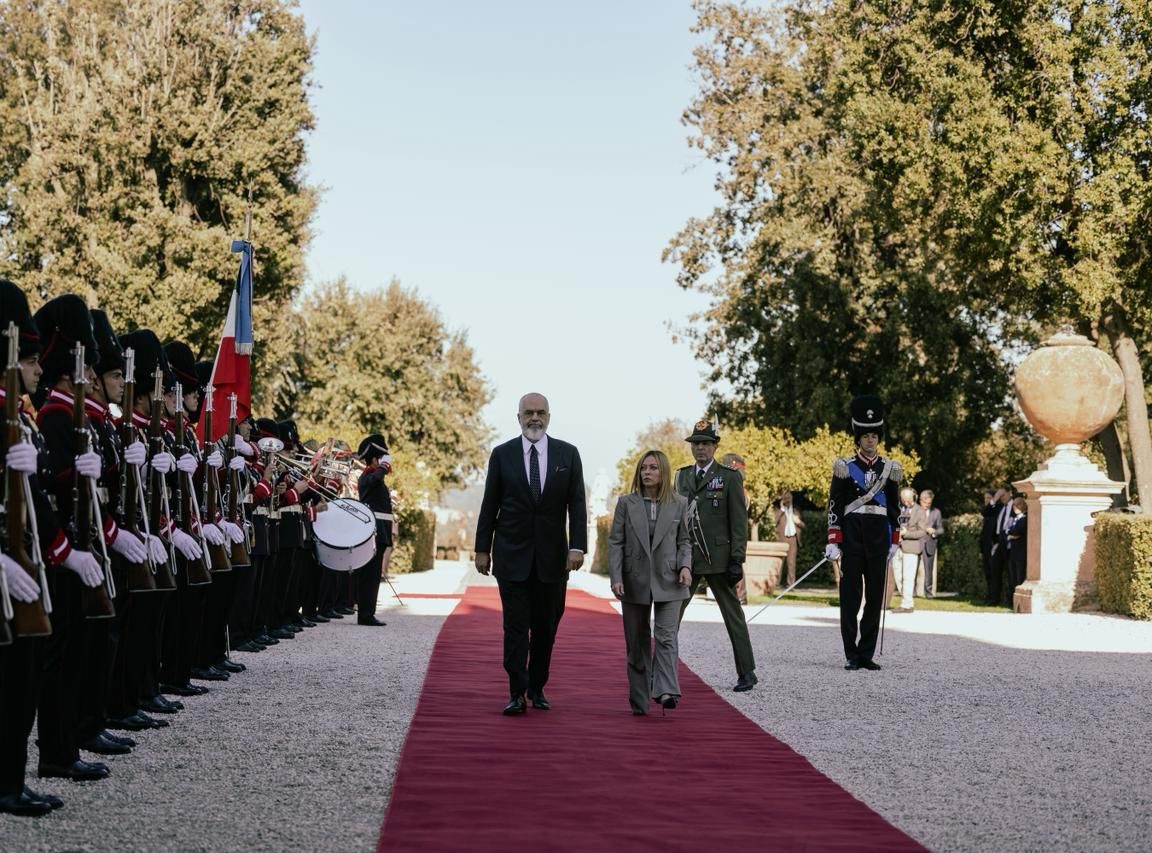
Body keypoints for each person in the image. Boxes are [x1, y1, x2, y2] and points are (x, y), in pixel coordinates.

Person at [474, 392, 587, 715]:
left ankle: (538, 686)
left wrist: (577, 546)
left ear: (549, 417)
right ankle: (516, 692)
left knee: (546, 627)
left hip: (553, 560)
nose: (534, 418)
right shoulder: (502, 455)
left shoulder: (568, 454)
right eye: (528, 413)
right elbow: (489, 504)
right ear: (518, 416)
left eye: (540, 413)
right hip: (511, 557)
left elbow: (577, 505)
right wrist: (483, 548)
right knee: (514, 626)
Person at [608, 450, 692, 715]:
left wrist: (686, 566)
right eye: (644, 468)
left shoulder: (679, 503)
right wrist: (616, 576)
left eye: (653, 468)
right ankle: (639, 700)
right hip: (634, 580)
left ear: (663, 472)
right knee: (637, 642)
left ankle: (666, 690)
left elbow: (685, 541)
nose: (647, 472)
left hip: (671, 580)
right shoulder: (625, 503)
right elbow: (616, 543)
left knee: (666, 637)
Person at [675, 418, 756, 692]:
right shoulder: (681, 477)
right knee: (670, 616)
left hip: (720, 559)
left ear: (715, 446)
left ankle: (747, 671)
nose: (700, 449)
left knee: (733, 617)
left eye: (706, 444)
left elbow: (738, 522)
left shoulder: (730, 477)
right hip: (688, 558)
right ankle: (659, 671)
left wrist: (737, 559)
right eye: (696, 444)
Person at [824, 395, 902, 671]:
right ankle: (850, 653)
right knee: (850, 596)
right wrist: (834, 539)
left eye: (874, 436)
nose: (870, 440)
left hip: (878, 538)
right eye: (865, 436)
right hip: (853, 536)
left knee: (874, 598)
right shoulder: (845, 467)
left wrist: (895, 539)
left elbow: (895, 509)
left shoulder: (889, 469)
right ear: (858, 438)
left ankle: (866, 652)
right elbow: (834, 504)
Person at [354, 433, 392, 627]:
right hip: (374, 532)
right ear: (375, 459)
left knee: (373, 575)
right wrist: (383, 467)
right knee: (369, 575)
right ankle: (365, 614)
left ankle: (368, 612)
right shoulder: (369, 476)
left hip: (380, 531)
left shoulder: (373, 476)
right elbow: (374, 481)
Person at [893, 487, 927, 613]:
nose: (906, 503)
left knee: (908, 576)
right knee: (898, 576)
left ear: (914, 497)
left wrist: (906, 533)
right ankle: (906, 598)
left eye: (908, 500)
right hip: (897, 547)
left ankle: (907, 604)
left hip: (911, 547)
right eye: (903, 500)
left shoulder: (920, 511)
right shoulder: (898, 508)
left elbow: (922, 531)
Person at [774, 491, 805, 587]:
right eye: (786, 499)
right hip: (782, 539)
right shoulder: (779, 511)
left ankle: (790, 584)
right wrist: (782, 509)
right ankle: (776, 583)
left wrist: (798, 521)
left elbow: (803, 525)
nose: (788, 501)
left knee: (791, 563)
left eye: (789, 499)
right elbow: (774, 522)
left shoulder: (796, 511)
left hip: (793, 539)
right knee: (780, 562)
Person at [919, 490, 943, 598]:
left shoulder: (936, 512)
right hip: (916, 543)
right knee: (914, 569)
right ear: (921, 500)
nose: (927, 505)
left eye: (929, 503)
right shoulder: (915, 511)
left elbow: (941, 529)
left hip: (929, 543)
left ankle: (928, 592)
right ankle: (914, 592)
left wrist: (934, 531)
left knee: (929, 569)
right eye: (925, 502)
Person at [1006, 497, 1028, 594]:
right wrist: (1011, 534)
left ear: (1024, 505)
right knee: (1013, 578)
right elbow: (1009, 531)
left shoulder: (1025, 518)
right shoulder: (1015, 518)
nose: (1015, 507)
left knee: (1020, 577)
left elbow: (1017, 532)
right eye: (1014, 505)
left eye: (1018, 504)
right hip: (1013, 553)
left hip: (1021, 553)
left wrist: (1012, 534)